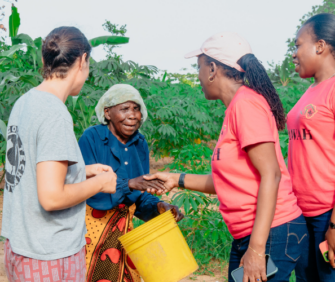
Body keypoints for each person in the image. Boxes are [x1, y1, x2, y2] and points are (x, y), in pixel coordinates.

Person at [144, 32, 307, 282]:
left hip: (272, 232)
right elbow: (229, 182)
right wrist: (175, 179)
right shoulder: (236, 107)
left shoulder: (246, 105)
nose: (198, 76)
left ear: (212, 69)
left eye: (199, 68)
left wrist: (256, 249)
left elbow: (271, 175)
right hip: (254, 234)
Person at [2, 27, 117, 282]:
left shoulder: (25, 102)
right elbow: (51, 197)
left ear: (45, 61)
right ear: (83, 61)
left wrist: (82, 171)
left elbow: (28, 167)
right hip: (48, 255)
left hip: (21, 248)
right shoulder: (55, 113)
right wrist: (100, 183)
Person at [78, 84, 184, 282]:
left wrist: (159, 207)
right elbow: (87, 189)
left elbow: (140, 195)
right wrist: (129, 184)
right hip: (91, 230)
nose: (133, 115)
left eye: (137, 109)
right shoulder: (91, 138)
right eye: (125, 109)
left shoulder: (140, 143)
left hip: (125, 232)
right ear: (108, 113)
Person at [288, 13, 335, 281]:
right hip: (299, 213)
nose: (294, 54)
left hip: (326, 214)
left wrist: (334, 225)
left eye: (297, 45)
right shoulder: (309, 91)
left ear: (320, 45)